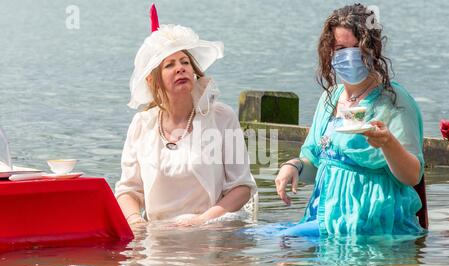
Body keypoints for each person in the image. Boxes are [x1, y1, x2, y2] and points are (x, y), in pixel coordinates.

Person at [274, 3, 426, 237]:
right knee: (251, 238)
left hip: (372, 222)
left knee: (280, 243)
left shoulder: (394, 101)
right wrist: (294, 166)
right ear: (329, 52)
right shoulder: (329, 98)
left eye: (358, 48)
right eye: (341, 48)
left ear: (373, 50)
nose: (351, 56)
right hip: (326, 217)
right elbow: (315, 163)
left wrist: (387, 143)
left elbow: (412, 175)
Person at [115, 5, 257, 228]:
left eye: (184, 62)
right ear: (153, 81)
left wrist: (201, 221)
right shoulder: (142, 124)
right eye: (169, 65)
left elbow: (242, 188)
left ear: (193, 70)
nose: (180, 68)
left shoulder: (221, 117)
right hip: (156, 236)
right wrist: (135, 222)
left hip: (208, 233)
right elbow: (128, 190)